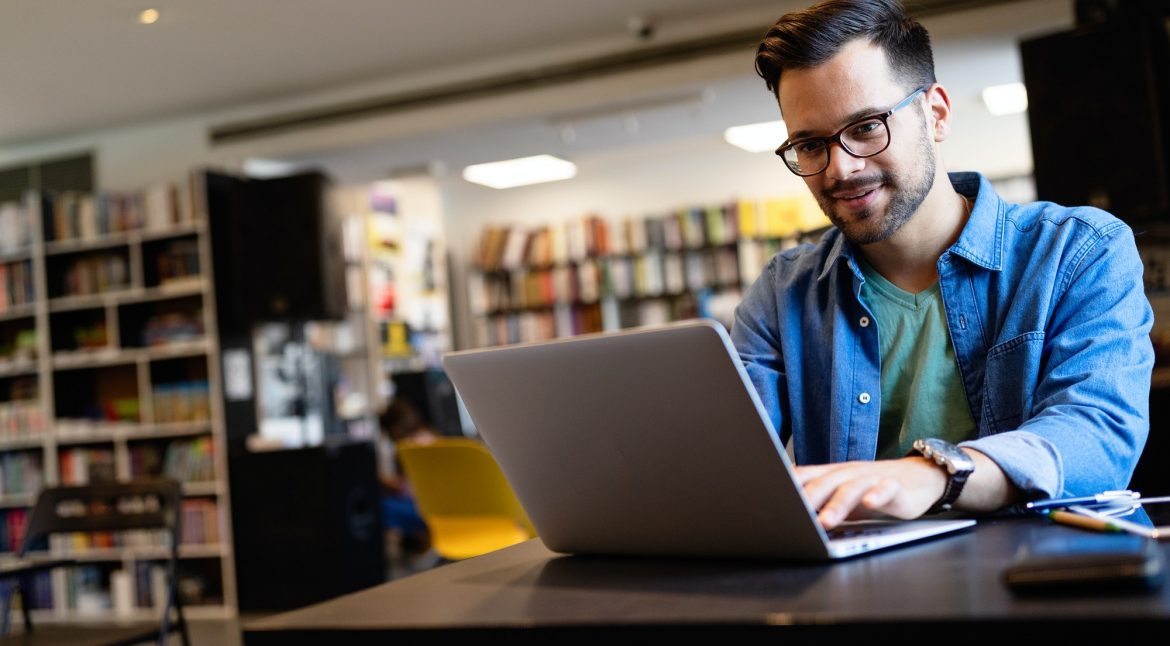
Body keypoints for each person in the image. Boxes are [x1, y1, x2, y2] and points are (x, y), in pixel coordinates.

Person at [732, 0, 1154, 531]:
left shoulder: (1079, 250)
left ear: (935, 114)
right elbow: (729, 459)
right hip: (855, 592)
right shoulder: (781, 292)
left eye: (866, 127)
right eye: (811, 144)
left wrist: (934, 474)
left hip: (1049, 580)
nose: (841, 168)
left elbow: (1097, 434)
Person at [377, 397, 438, 555]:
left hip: (426, 510)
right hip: (450, 508)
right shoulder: (432, 436)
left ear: (394, 429)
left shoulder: (409, 448)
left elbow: (409, 490)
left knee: (378, 506)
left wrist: (382, 482)